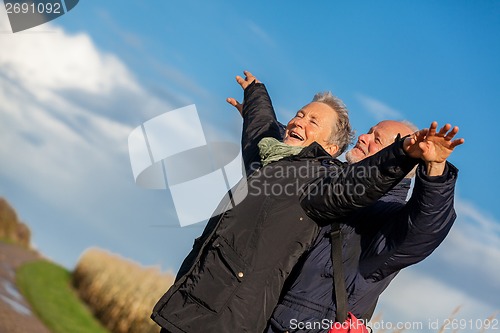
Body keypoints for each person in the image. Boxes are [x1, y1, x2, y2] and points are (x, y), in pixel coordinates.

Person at [151, 71, 460, 333]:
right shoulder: (319, 182)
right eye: (367, 132)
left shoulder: (384, 219)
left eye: (377, 139)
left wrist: (434, 171)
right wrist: (256, 101)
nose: (364, 138)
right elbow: (274, 152)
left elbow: (424, 229)